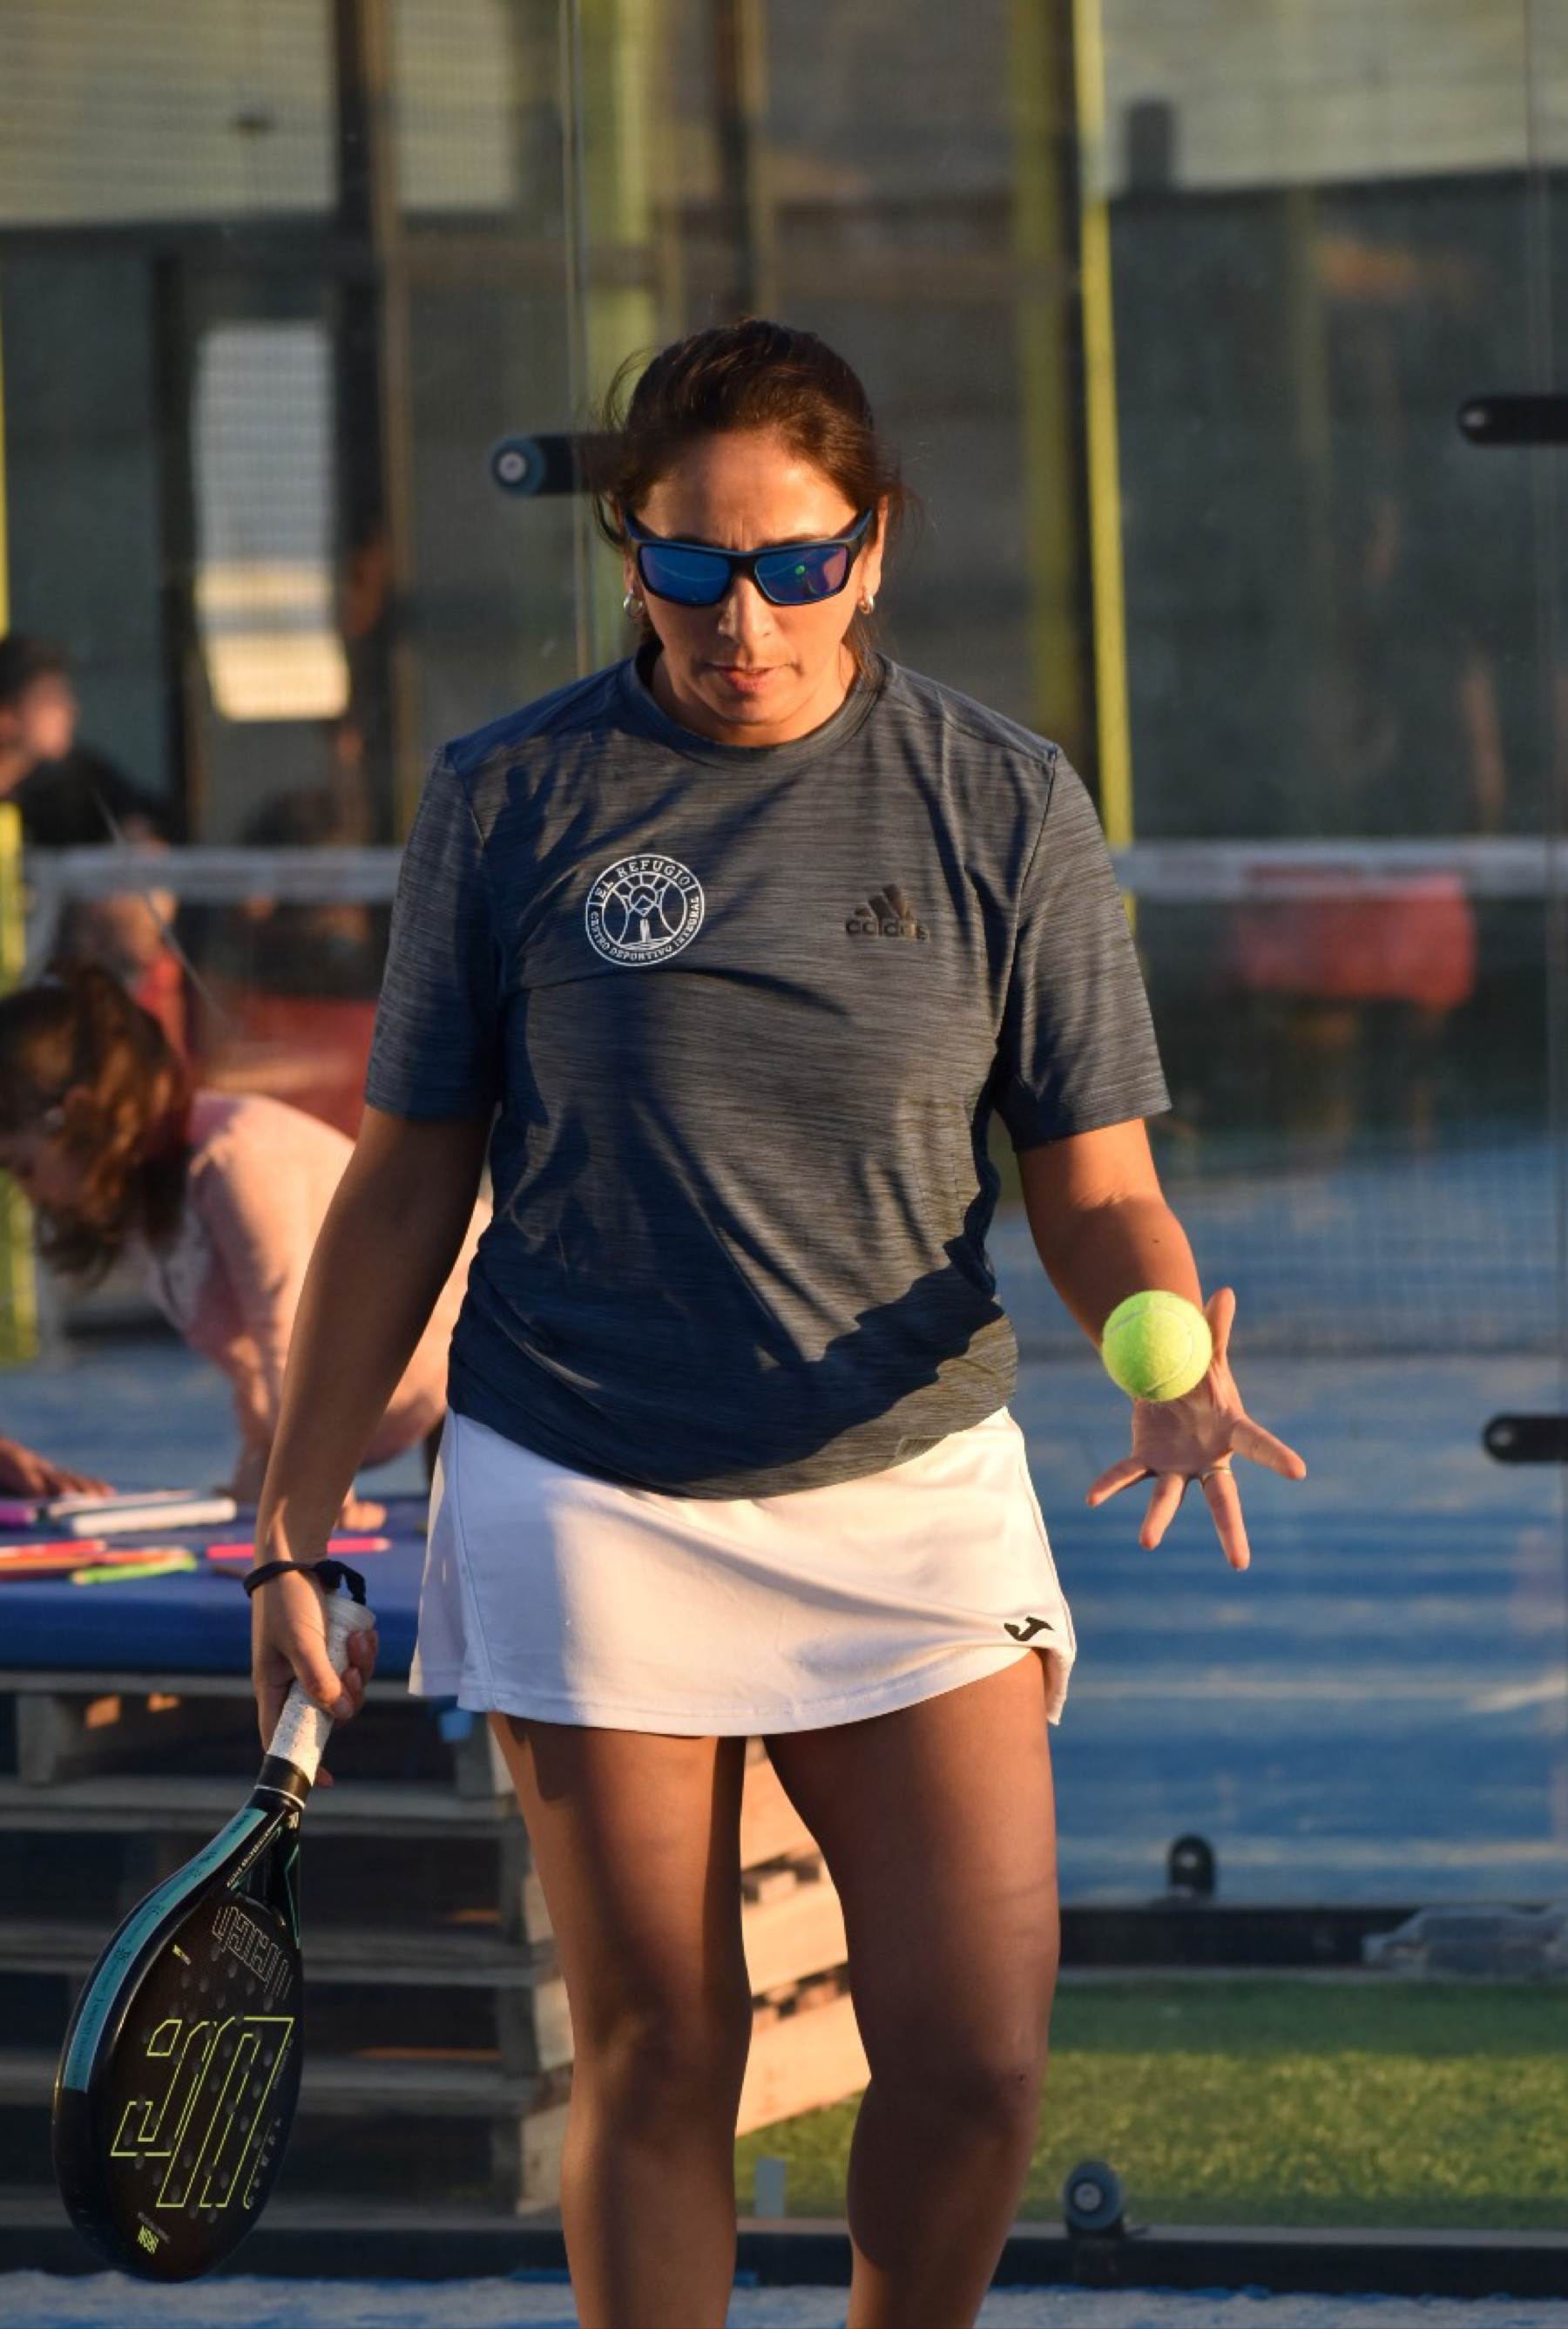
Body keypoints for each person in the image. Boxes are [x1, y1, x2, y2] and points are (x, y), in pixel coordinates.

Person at [247, 320, 1306, 2328]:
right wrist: (291, 1528)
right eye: (693, 564)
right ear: (629, 554)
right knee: (664, 2046)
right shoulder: (509, 796)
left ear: (873, 543)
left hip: (908, 1486)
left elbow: (1095, 1188)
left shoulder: (1004, 801)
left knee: (976, 2058)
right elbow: (400, 1188)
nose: (747, 617)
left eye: (798, 563)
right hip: (583, 1477)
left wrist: (1167, 1338)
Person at [0, 962, 484, 1513]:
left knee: (475, 1546)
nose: (30, 1194)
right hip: (412, 1385)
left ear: (79, 1115)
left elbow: (291, 1329)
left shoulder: (234, 1156)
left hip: (484, 1348)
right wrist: (256, 1472)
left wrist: (308, 1497)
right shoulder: (141, 1203)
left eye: (24, 1167)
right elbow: (251, 1365)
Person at [0, 633, 186, 1051]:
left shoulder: (79, 782)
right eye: (50, 698)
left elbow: (146, 828)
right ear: (6, 715)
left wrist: (131, 863)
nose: (70, 709)